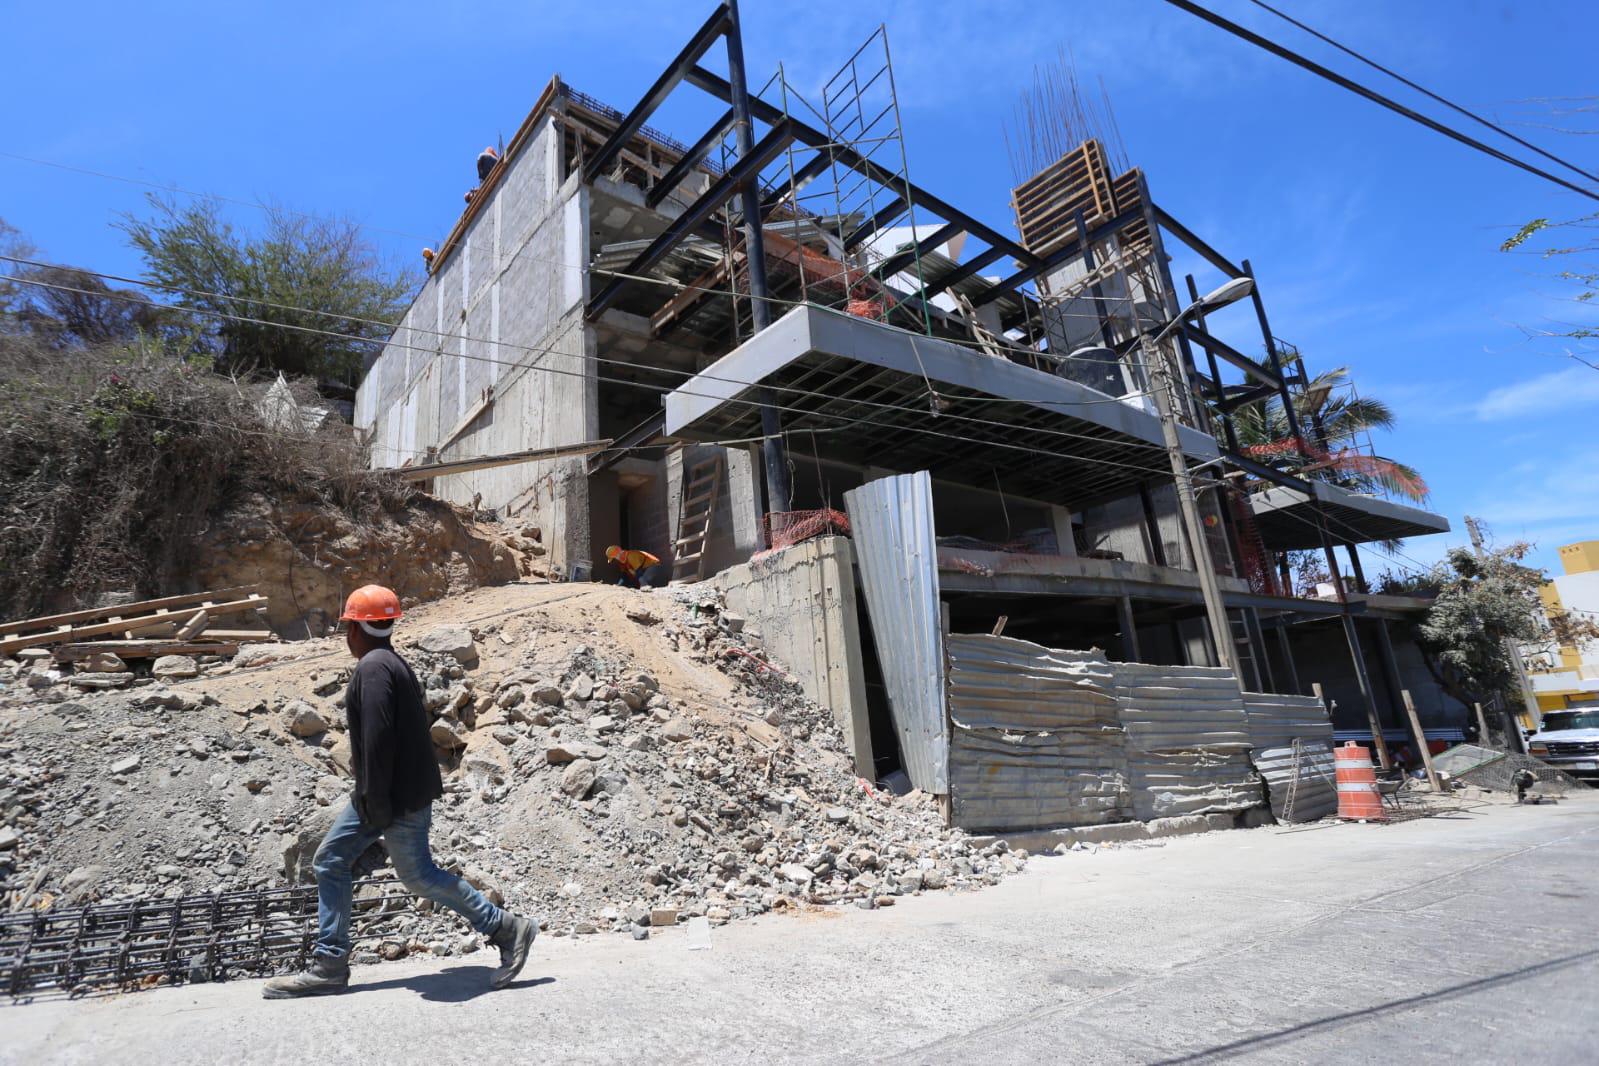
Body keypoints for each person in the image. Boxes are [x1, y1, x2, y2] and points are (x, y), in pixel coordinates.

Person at [263, 585, 536, 998]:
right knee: (333, 860)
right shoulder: (391, 662)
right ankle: (329, 964)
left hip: (391, 796)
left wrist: (375, 802)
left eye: (347, 626)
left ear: (355, 628)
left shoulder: (372, 668)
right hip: (393, 792)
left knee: (414, 875)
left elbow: (377, 738)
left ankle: (506, 927)